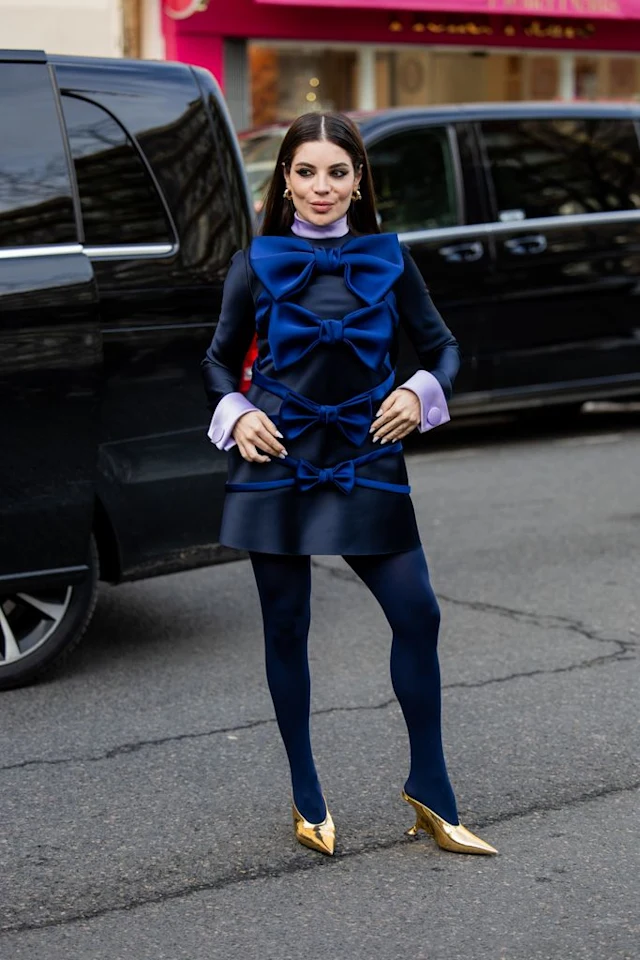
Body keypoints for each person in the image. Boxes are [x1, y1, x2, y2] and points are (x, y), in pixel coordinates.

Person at [202, 113, 497, 857]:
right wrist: (237, 415)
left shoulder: (390, 259)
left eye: (337, 172)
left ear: (359, 179)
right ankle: (307, 795)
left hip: (366, 460)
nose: (322, 187)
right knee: (287, 628)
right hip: (275, 463)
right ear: (286, 182)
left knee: (418, 613)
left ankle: (431, 789)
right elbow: (215, 360)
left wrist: (419, 390)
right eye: (306, 172)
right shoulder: (254, 260)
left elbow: (444, 347)